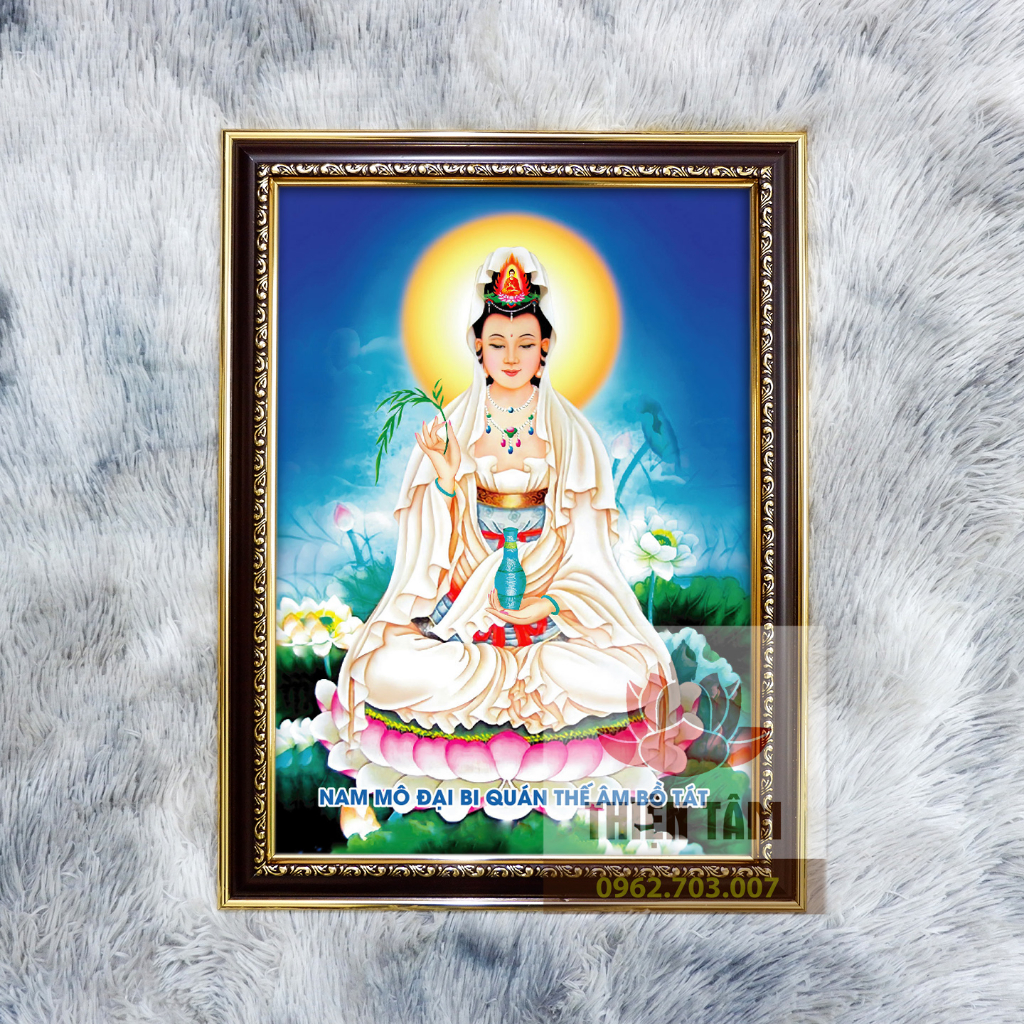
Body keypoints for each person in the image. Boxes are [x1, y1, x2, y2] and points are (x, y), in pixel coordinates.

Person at [327, 247, 686, 775]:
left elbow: (589, 560)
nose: (511, 357)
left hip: (552, 635)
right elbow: (431, 555)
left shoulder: (574, 438)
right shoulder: (452, 426)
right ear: (477, 345)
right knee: (384, 669)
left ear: (546, 346)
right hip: (466, 629)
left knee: (636, 674)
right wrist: (446, 483)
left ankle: (523, 685)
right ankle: (515, 693)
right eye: (497, 343)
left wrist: (551, 604)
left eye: (525, 343)